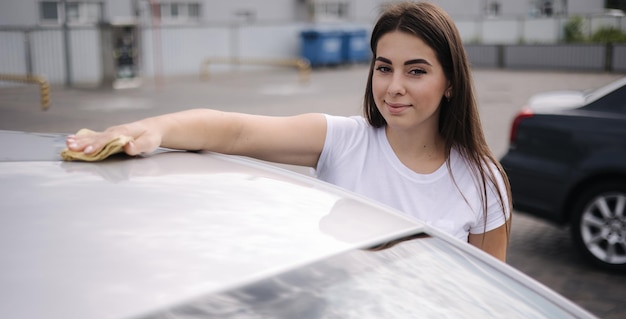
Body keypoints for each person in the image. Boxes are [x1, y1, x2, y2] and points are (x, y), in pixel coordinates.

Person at [65, 2, 512, 261]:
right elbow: (236, 132)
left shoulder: (482, 181)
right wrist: (149, 127)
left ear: (450, 81)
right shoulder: (345, 141)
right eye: (383, 68)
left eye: (416, 71)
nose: (394, 87)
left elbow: (491, 299)